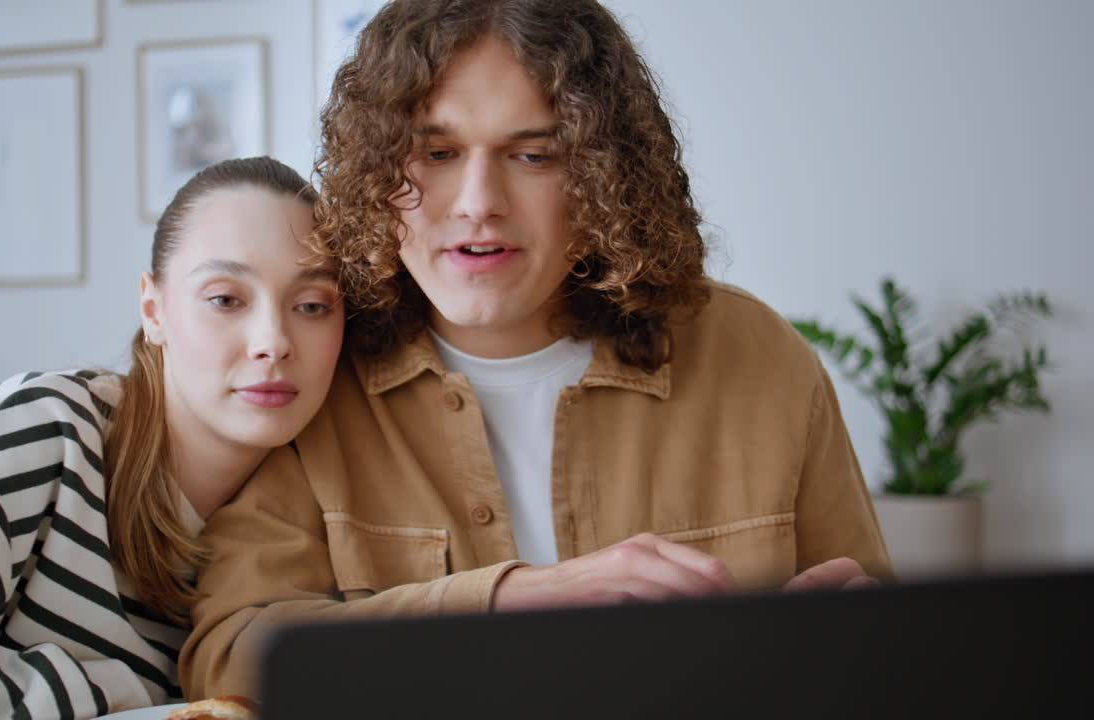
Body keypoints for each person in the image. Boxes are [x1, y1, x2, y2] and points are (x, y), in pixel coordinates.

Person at [180, 0, 892, 698]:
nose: (478, 201)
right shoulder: (316, 370)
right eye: (436, 152)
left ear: (604, 176)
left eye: (533, 154)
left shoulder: (759, 357)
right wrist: (507, 600)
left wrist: (855, 640)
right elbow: (232, 649)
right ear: (376, 173)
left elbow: (881, 635)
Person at [0, 157, 345, 718]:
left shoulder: (317, 511)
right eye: (225, 299)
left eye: (311, 305)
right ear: (154, 309)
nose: (273, 341)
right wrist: (111, 696)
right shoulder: (51, 431)